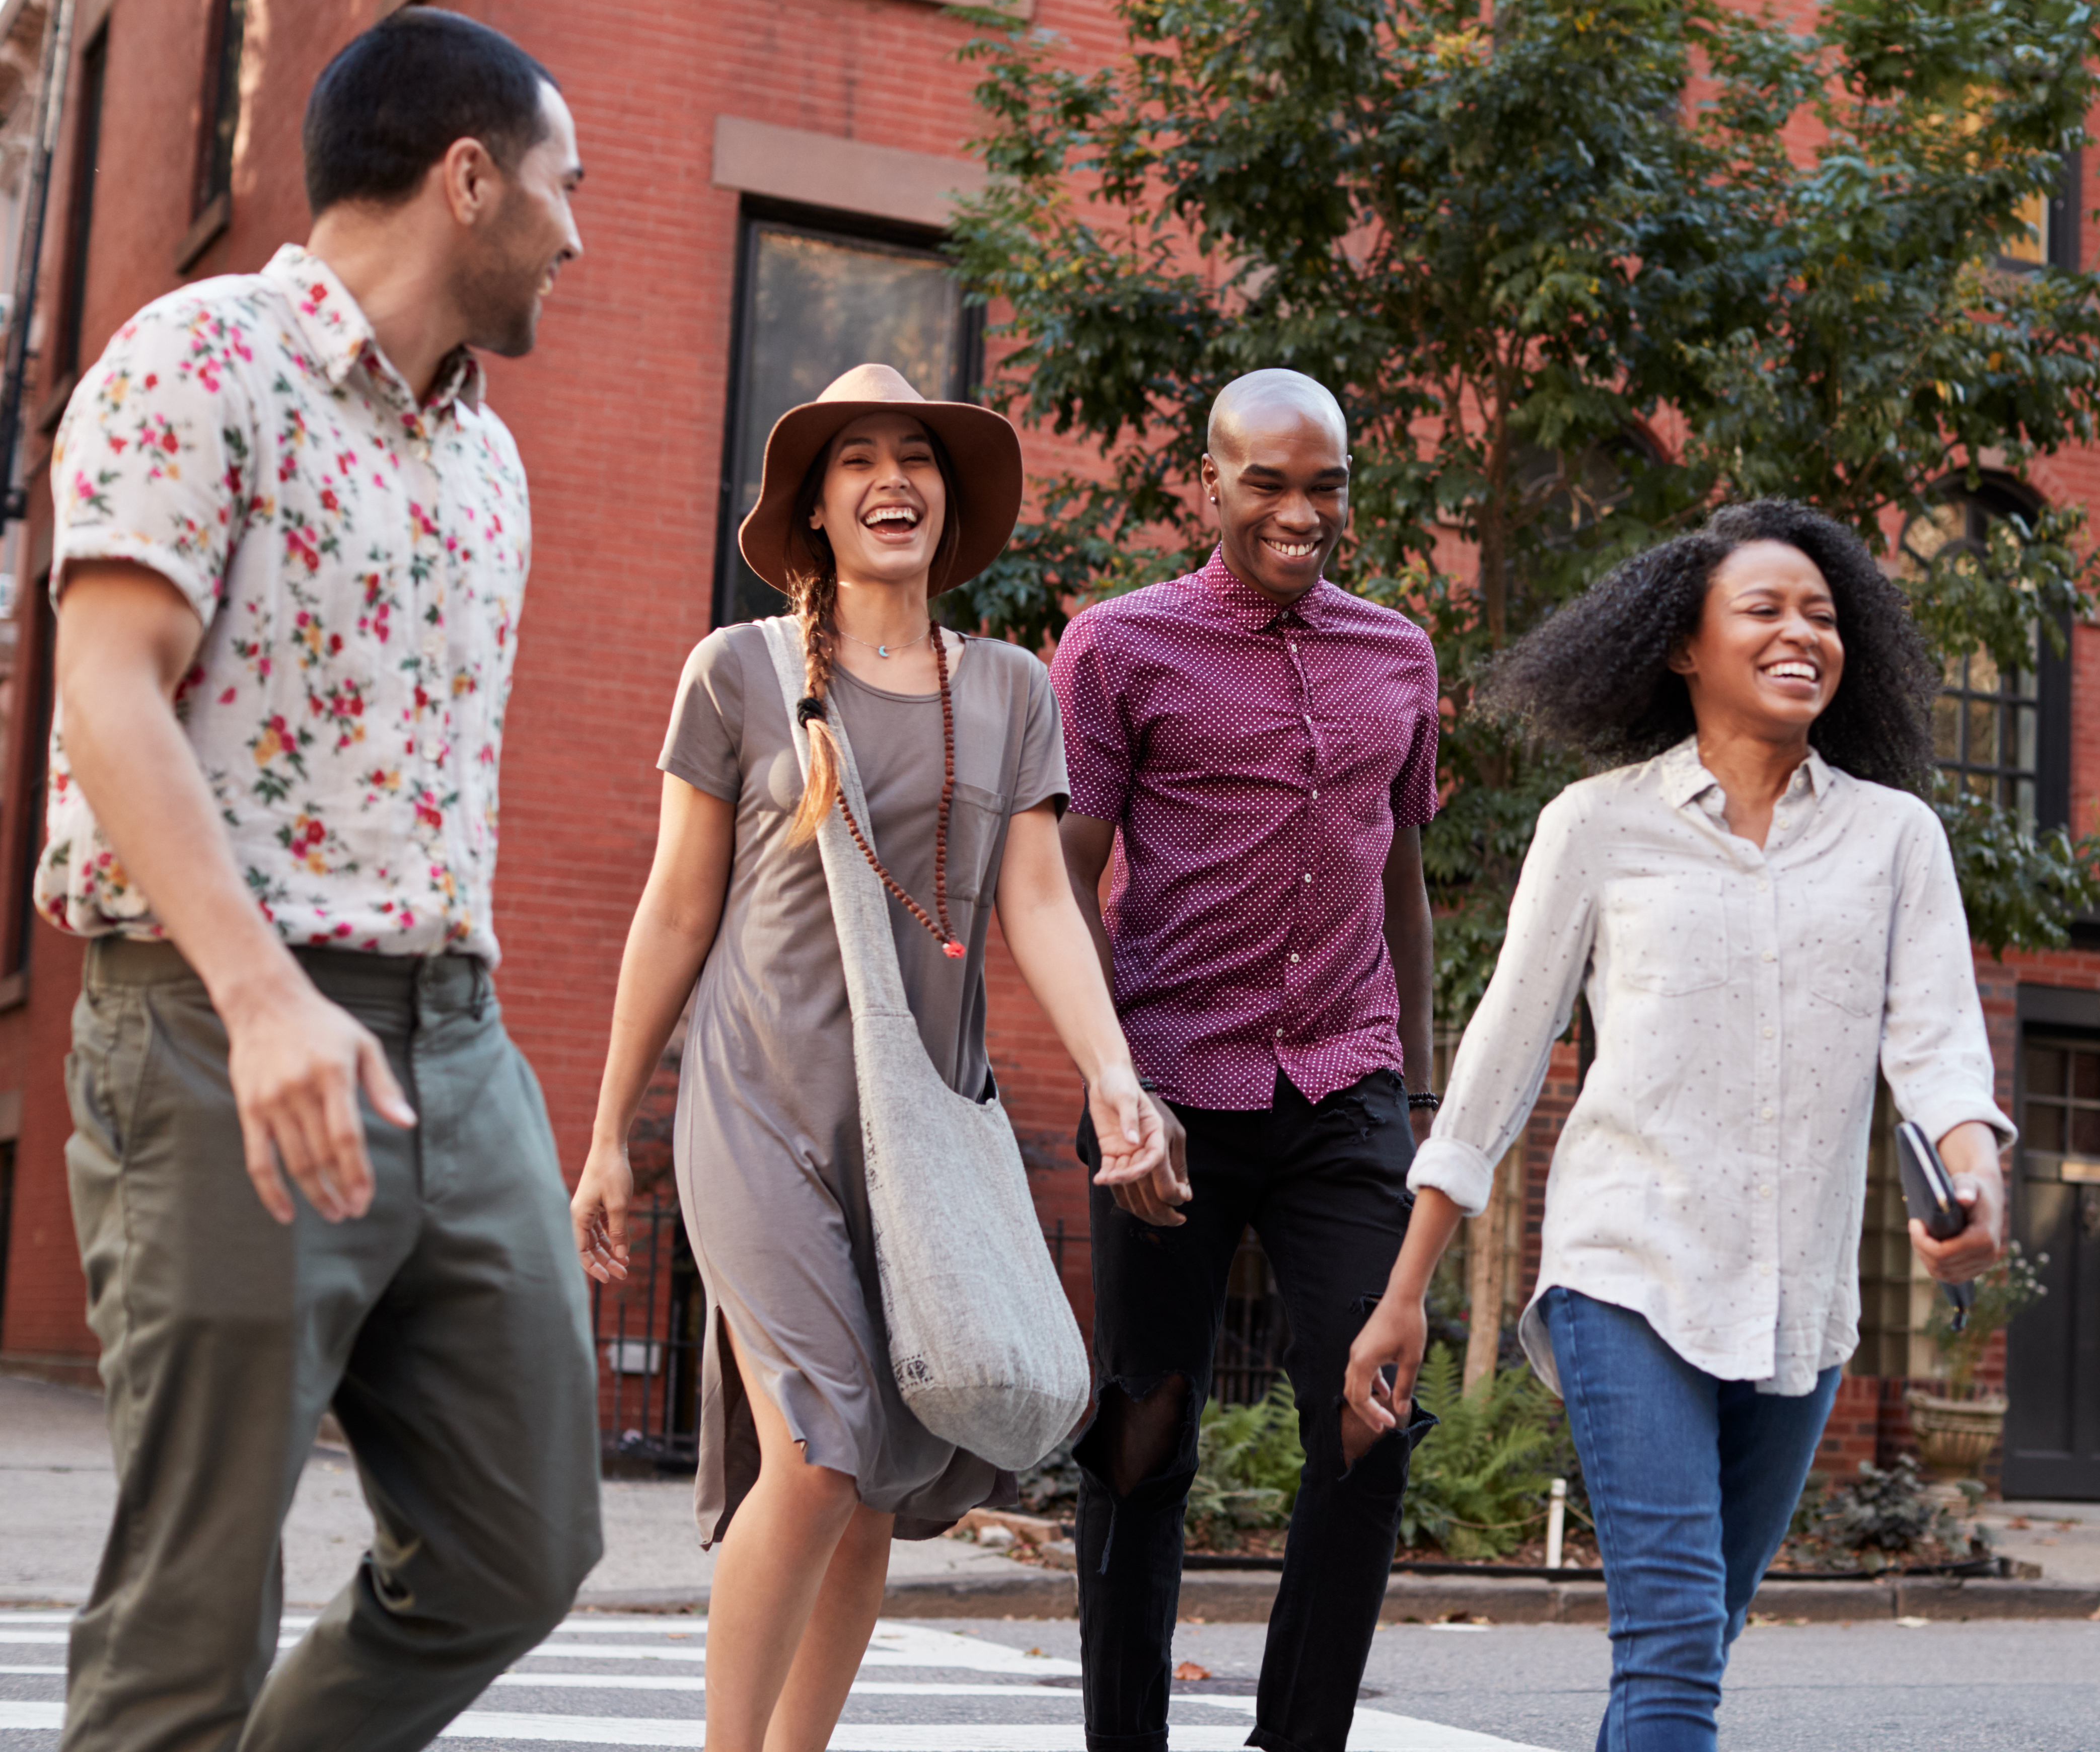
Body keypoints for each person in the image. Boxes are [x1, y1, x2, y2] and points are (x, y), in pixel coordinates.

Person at [44, 11, 593, 1751]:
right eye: (562, 185)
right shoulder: (195, 361)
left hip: (453, 1037)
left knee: (522, 1542)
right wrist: (264, 993)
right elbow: (106, 684)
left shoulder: (486, 456)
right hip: (221, 1029)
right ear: (469, 177)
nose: (577, 232)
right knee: (188, 1616)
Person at [1343, 498, 2016, 1752]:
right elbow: (1496, 1058)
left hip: (1799, 1310)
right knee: (1671, 1654)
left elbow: (1937, 1049)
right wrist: (1406, 1287)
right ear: (1681, 647)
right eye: (1762, 610)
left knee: (1695, 1639)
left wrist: (1972, 1178)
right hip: (1626, 1272)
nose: (1798, 634)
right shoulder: (1597, 826)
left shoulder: (1893, 840)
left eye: (1822, 615)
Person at [568, 362, 1167, 1752]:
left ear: (949, 506)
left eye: (917, 457)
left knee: (874, 1478)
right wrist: (608, 1130)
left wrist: (1113, 1072)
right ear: (815, 511)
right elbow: (674, 906)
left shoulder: (1013, 687)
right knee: (826, 1441)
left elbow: (1036, 900)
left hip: (917, 1122)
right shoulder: (740, 673)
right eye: (856, 462)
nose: (891, 479)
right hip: (755, 1100)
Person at [1049, 369, 1441, 1752]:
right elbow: (1065, 881)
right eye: (1266, 482)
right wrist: (1115, 1094)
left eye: (1323, 483)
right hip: (1166, 1089)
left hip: (1345, 1084)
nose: (1298, 510)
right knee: (1143, 1430)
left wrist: (1425, 1099)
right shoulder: (1114, 649)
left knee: (1367, 1413)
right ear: (1207, 486)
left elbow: (1403, 880)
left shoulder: (1399, 654)